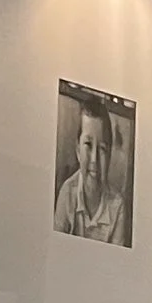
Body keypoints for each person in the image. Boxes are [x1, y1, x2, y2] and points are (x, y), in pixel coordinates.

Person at [54, 91, 128, 246]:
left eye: (102, 149)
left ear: (109, 156)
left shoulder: (117, 206)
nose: (94, 159)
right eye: (88, 145)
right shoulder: (67, 192)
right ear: (77, 150)